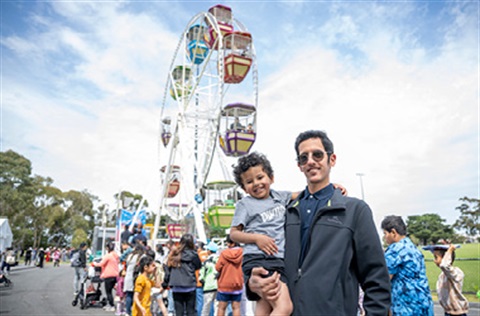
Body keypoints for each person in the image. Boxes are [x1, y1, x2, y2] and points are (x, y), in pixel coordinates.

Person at [248, 130, 391, 315]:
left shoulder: (355, 211)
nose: (310, 161)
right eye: (303, 158)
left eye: (317, 154)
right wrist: (251, 283)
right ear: (299, 165)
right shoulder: (285, 211)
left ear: (332, 160)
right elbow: (262, 254)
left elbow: (376, 279)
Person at [230, 151, 293, 315]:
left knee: (264, 308)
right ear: (244, 188)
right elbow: (234, 234)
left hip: (275, 258)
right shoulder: (245, 204)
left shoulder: (280, 196)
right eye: (249, 182)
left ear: (271, 178)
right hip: (260, 258)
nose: (256, 183)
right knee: (284, 307)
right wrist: (257, 239)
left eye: (260, 177)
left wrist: (331, 189)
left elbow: (305, 194)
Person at [382, 215, 432, 315]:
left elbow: (384, 281)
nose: (384, 237)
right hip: (422, 302)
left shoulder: (395, 250)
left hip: (405, 305)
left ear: (393, 232)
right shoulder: (413, 248)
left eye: (385, 233)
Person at [163, 233, 201, 316]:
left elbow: (167, 268)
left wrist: (165, 282)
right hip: (190, 285)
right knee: (190, 311)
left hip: (176, 286)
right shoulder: (194, 255)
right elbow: (198, 266)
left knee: (178, 312)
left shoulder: (174, 253)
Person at [428, 244, 469, 316]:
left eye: (436, 257)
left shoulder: (456, 272)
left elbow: (444, 265)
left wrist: (450, 250)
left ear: (445, 258)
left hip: (458, 313)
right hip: (448, 312)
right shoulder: (442, 275)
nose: (434, 261)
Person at [215, 235, 244, 316]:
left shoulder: (224, 253)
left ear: (232, 243)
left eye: (228, 243)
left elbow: (217, 267)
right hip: (238, 283)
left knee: (221, 307)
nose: (227, 244)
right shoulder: (242, 253)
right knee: (236, 307)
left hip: (224, 284)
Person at [94, 242, 119, 312]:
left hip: (109, 275)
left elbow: (101, 264)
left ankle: (111, 305)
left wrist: (94, 263)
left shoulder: (108, 256)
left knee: (108, 292)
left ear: (107, 248)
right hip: (115, 275)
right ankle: (112, 304)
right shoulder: (115, 256)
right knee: (114, 290)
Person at [124, 244, 146, 316]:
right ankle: (135, 311)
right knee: (136, 295)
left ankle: (127, 312)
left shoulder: (130, 256)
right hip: (137, 278)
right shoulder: (142, 256)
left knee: (129, 295)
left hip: (128, 276)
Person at [199, 241, 219, 316]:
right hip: (218, 285)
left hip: (208, 286)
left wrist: (202, 281)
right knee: (217, 306)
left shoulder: (206, 262)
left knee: (206, 307)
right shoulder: (220, 260)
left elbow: (201, 276)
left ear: (209, 251)